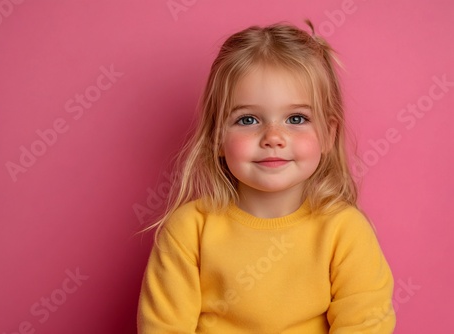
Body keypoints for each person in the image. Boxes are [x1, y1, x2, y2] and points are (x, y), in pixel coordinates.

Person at [137, 20, 396, 333]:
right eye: (248, 119)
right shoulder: (190, 230)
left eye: (296, 118)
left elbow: (366, 325)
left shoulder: (344, 231)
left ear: (328, 135)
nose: (273, 137)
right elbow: (164, 328)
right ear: (217, 138)